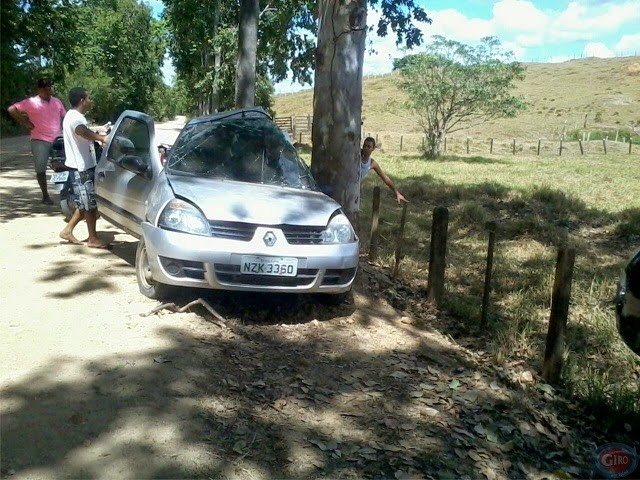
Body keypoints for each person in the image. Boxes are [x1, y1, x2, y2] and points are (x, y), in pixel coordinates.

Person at [58, 87, 109, 248]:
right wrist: (101, 138)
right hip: (81, 167)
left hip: (84, 165)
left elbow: (82, 129)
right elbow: (80, 130)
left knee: (85, 202)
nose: (90, 101)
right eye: (88, 98)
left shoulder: (74, 116)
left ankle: (68, 230)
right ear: (82, 100)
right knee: (88, 204)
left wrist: (96, 130)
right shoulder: (75, 117)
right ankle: (93, 238)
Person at [7, 78, 66, 205]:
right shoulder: (31, 102)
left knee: (61, 167)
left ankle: (64, 194)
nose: (47, 90)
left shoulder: (56, 102)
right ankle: (45, 195)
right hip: (39, 140)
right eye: (44, 88)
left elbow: (64, 117)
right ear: (39, 89)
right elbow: (12, 109)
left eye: (49, 88)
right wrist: (24, 121)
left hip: (56, 139)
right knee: (41, 170)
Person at [360, 137, 407, 203]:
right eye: (364, 146)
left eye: (369, 146)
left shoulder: (372, 163)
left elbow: (385, 178)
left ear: (373, 149)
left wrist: (397, 193)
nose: (366, 148)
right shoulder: (355, 155)